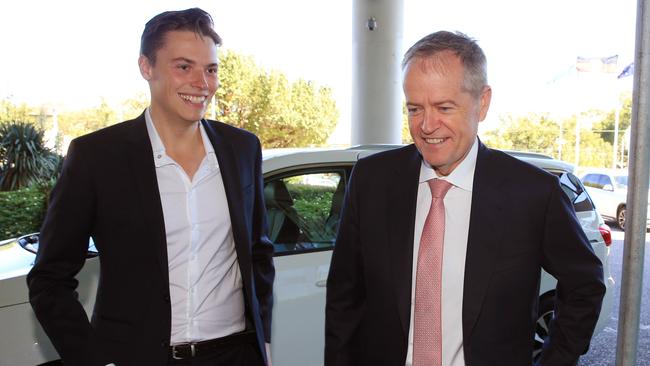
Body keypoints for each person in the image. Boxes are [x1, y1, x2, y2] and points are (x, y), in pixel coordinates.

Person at [325, 31, 605, 366]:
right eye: (415, 108)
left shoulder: (532, 193)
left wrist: (554, 360)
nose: (426, 125)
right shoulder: (372, 181)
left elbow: (585, 284)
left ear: (482, 102)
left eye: (444, 107)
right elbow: (344, 298)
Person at [27, 8, 274, 366]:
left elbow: (258, 253)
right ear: (147, 67)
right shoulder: (97, 157)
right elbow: (49, 278)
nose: (202, 84)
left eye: (211, 69)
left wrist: (262, 339)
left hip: (234, 355)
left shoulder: (242, 148)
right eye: (183, 66)